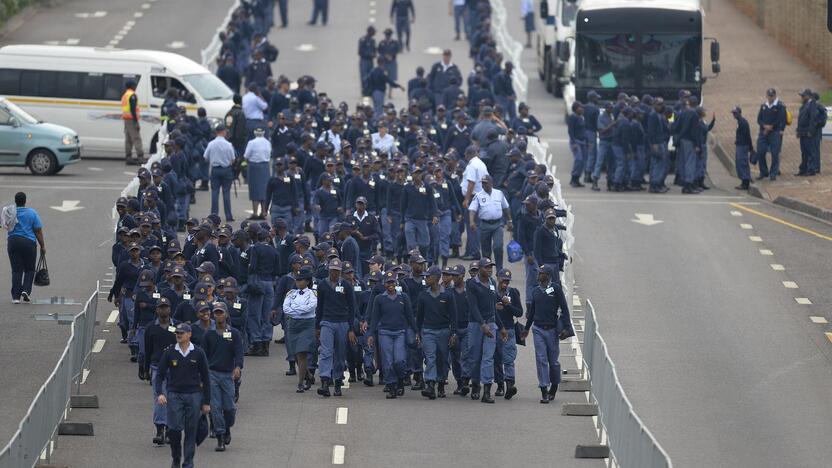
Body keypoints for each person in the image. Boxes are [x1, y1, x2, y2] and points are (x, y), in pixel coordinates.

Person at [155, 323, 211, 468]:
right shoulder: (170, 352)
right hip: (174, 395)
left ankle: (188, 462)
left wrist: (206, 402)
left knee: (191, 430)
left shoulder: (198, 352)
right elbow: (160, 374)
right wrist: (160, 393)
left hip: (194, 395)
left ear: (189, 334)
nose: (179, 335)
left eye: (182, 332)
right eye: (177, 333)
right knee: (174, 429)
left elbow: (206, 377)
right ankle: (176, 458)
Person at [522, 265, 573, 404]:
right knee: (541, 359)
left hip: (552, 330)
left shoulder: (555, 289)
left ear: (548, 275)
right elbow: (532, 311)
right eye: (539, 272)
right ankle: (544, 389)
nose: (539, 275)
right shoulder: (536, 291)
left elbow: (564, 308)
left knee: (553, 362)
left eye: (542, 273)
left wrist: (567, 327)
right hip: (538, 329)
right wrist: (526, 329)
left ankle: (554, 385)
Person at [368, 270, 418, 399]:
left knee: (400, 360)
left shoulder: (403, 297)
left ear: (396, 283)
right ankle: (391, 386)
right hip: (384, 333)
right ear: (384, 284)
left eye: (392, 282)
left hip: (400, 332)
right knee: (388, 362)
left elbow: (410, 316)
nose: (390, 284)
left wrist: (416, 331)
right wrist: (370, 334)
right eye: (388, 282)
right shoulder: (379, 299)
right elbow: (374, 318)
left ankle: (400, 380)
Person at [202, 302, 243, 452]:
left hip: (227, 375)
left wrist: (238, 367)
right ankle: (220, 437)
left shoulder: (234, 333)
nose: (218, 315)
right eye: (216, 312)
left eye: (221, 312)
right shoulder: (209, 334)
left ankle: (227, 427)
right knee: (216, 407)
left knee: (229, 408)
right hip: (212, 374)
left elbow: (239, 352)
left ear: (226, 314)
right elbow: (203, 355)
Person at [464, 257, 505, 404]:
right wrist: (482, 324)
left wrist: (501, 327)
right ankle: (475, 384)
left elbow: (493, 307)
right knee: (475, 357)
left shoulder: (492, 283)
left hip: (491, 323)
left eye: (491, 267)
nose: (489, 270)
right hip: (476, 324)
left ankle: (487, 390)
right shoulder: (471, 284)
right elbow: (473, 306)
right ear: (480, 269)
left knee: (488, 357)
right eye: (486, 267)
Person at [314, 258, 357, 397]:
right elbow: (319, 306)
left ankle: (338, 381)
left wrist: (351, 329)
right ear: (329, 270)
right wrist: (317, 326)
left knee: (339, 354)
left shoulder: (346, 285)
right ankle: (325, 381)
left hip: (342, 323)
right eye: (332, 270)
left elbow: (352, 308)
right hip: (327, 321)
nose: (335, 273)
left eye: (337, 271)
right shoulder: (322, 285)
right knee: (326, 352)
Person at [415, 265, 457, 399]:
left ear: (436, 278)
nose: (426, 278)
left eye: (429, 276)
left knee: (442, 359)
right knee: (430, 357)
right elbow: (419, 316)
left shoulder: (448, 294)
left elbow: (454, 315)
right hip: (428, 331)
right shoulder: (423, 295)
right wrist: (418, 332)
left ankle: (440, 384)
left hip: (444, 331)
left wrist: (453, 333)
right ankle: (430, 385)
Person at [283, 265, 318, 393]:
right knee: (296, 354)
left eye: (301, 280)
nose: (298, 282)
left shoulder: (312, 293)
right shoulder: (291, 293)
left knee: (301, 352)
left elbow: (311, 307)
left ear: (307, 281)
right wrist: (298, 311)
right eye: (297, 280)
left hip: (307, 324)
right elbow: (286, 308)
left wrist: (295, 310)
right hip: (293, 325)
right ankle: (308, 376)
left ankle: (300, 383)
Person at [5, 192, 45, 304]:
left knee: (16, 270)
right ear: (25, 200)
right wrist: (42, 246)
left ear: (15, 201)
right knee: (30, 269)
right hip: (29, 243)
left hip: (13, 242)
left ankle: (16, 297)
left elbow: (4, 224)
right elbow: (38, 230)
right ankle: (26, 291)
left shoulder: (10, 213)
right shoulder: (32, 213)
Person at [468, 175, 512, 270]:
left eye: (485, 183)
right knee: (486, 251)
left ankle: (499, 270)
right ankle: (487, 271)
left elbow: (506, 207)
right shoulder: (478, 195)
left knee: (498, 246)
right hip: (484, 225)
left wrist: (509, 220)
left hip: (497, 224)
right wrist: (471, 222)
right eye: (482, 183)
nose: (484, 185)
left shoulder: (499, 193)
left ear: (491, 183)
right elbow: (472, 210)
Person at [494, 268, 522, 399]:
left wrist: (508, 305)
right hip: (494, 329)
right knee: (496, 358)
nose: (505, 284)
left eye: (507, 281)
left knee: (509, 358)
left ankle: (510, 385)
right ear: (497, 278)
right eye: (503, 280)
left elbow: (519, 312)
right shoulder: (491, 292)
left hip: (509, 329)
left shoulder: (513, 292)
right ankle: (500, 385)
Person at [203, 124, 237, 222]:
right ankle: (228, 216)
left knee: (215, 192)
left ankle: (214, 215)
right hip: (226, 170)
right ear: (222, 132)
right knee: (226, 193)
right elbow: (233, 159)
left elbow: (205, 157)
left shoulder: (211, 144)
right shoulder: (228, 144)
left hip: (215, 169)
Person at [755, 88, 787, 181]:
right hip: (763, 132)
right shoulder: (763, 106)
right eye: (769, 95)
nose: (770, 97)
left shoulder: (780, 106)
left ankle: (773, 173)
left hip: (774, 132)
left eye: (772, 96)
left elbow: (781, 119)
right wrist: (764, 126)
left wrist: (771, 127)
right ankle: (763, 172)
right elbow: (759, 119)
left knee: (775, 153)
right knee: (760, 152)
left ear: (775, 96)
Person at [243, 127, 272, 219]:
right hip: (265, 166)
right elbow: (269, 154)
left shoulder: (251, 143)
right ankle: (263, 212)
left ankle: (255, 212)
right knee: (264, 189)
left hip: (254, 166)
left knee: (254, 189)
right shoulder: (267, 142)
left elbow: (246, 155)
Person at [796, 88, 820, 177]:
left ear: (808, 96)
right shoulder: (804, 105)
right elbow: (800, 119)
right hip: (802, 132)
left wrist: (811, 131)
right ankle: (803, 169)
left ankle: (811, 169)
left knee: (810, 151)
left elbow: (812, 119)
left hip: (808, 132)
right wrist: (798, 130)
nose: (802, 97)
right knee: (804, 151)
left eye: (803, 96)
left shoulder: (812, 104)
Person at [121, 80, 144, 165]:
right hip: (131, 119)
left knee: (128, 139)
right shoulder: (132, 95)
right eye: (134, 85)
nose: (135, 86)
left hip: (126, 120)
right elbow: (133, 109)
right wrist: (136, 122)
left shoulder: (125, 95)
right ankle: (140, 157)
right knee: (136, 138)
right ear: (132, 86)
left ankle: (128, 157)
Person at [567, 101, 587, 187]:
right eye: (580, 107)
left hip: (583, 141)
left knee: (583, 161)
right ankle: (573, 178)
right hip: (576, 141)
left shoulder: (581, 117)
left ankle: (578, 179)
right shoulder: (572, 117)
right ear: (575, 108)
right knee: (578, 159)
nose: (582, 109)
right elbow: (570, 130)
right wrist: (574, 142)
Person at [358, 26, 378, 94]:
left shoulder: (373, 41)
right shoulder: (362, 39)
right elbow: (360, 51)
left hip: (370, 61)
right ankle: (364, 90)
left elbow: (375, 49)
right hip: (364, 60)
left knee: (370, 76)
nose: (374, 33)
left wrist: (374, 54)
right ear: (369, 32)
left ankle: (369, 90)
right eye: (373, 32)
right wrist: (369, 54)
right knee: (364, 76)